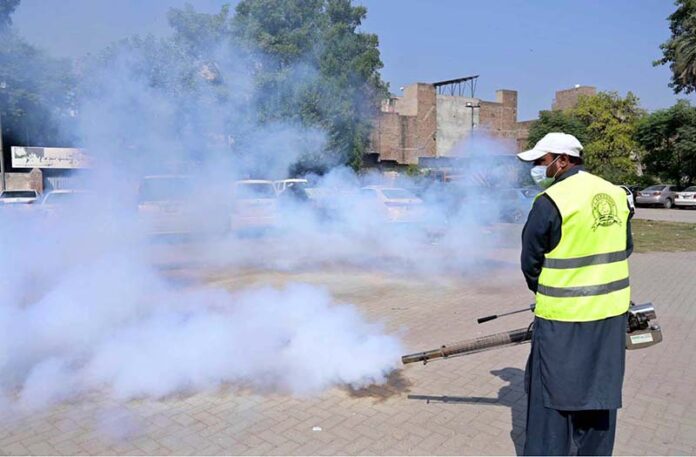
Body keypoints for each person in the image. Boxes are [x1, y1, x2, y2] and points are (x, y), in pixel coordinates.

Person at [517, 132, 634, 456]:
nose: (540, 168)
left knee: (551, 402)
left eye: (542, 161)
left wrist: (550, 289)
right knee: (599, 394)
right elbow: (625, 249)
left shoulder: (551, 202)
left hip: (562, 320)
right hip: (609, 316)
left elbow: (530, 262)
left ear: (562, 160)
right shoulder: (615, 195)